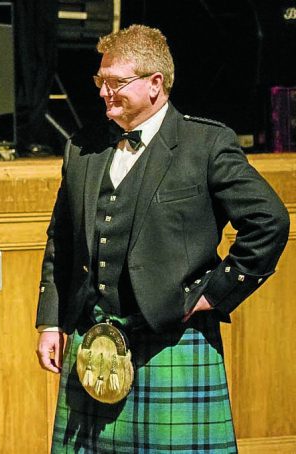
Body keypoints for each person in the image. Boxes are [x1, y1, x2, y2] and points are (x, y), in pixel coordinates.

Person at [35, 24, 290, 452]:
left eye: (116, 82)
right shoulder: (82, 148)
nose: (103, 92)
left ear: (155, 84)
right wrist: (50, 320)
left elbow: (269, 221)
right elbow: (61, 238)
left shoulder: (203, 144)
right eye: (100, 81)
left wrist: (214, 294)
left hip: (172, 340)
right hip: (92, 343)